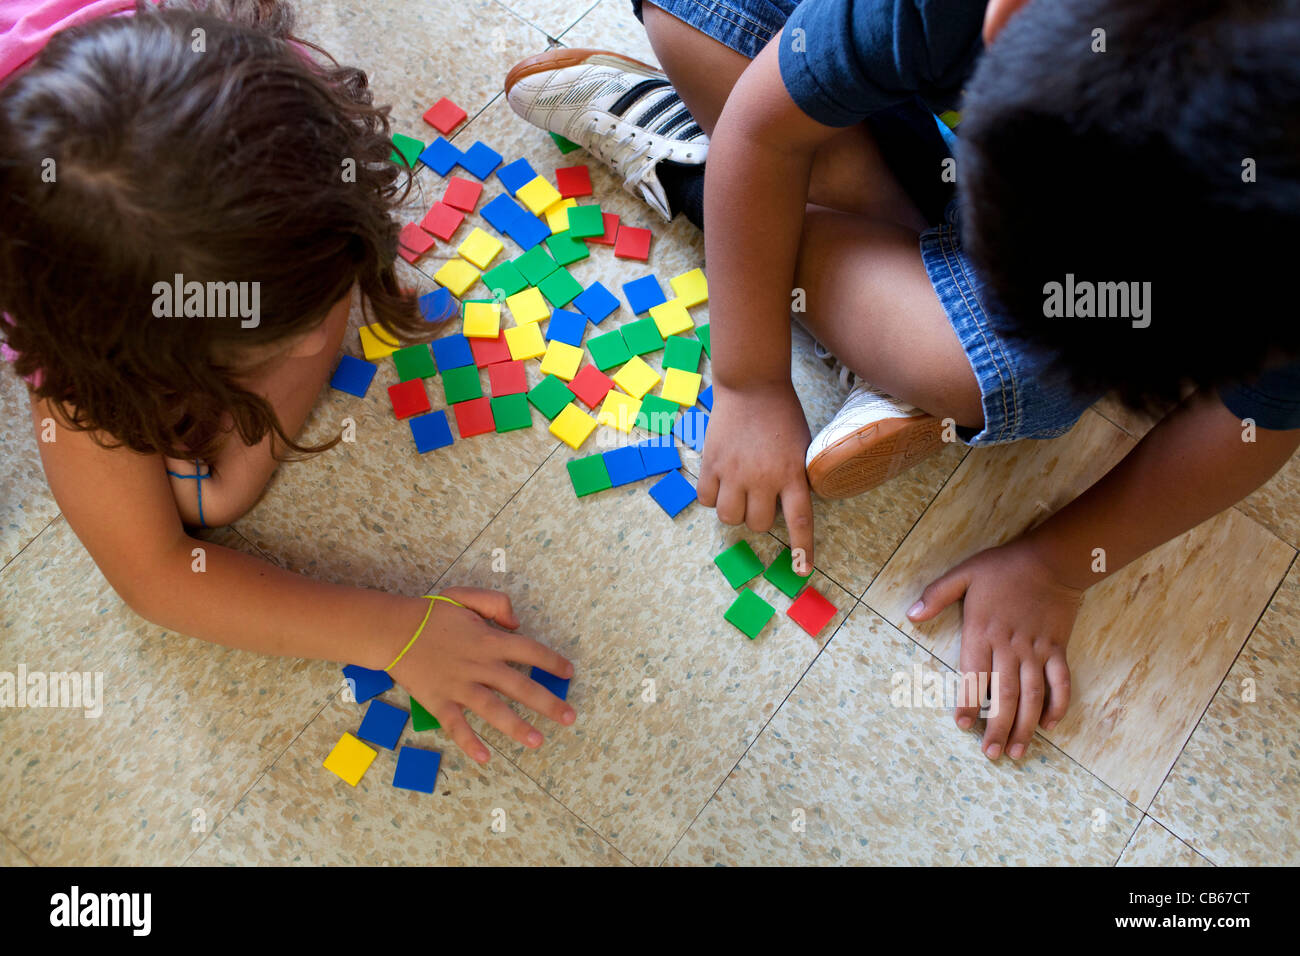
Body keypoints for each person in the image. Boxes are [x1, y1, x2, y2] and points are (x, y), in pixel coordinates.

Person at [504, 0, 1300, 760]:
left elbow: (1260, 420)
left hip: (885, 85)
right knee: (735, 68)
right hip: (770, 33)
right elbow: (763, 125)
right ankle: (703, 172)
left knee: (1030, 378)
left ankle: (794, 200)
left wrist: (1056, 566)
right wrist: (751, 382)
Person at [1, 0, 576, 765]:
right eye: (273, 337)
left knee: (211, 490)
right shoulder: (63, 306)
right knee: (206, 499)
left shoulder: (274, 113)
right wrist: (394, 630)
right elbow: (154, 575)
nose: (318, 340)